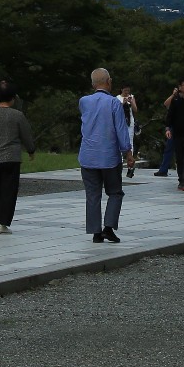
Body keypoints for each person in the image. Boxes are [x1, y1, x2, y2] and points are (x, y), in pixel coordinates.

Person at [78, 67, 132, 242]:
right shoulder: (114, 103)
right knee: (115, 192)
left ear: (93, 84)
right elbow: (121, 130)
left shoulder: (84, 101)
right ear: (109, 82)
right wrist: (128, 153)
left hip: (87, 156)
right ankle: (108, 227)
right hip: (109, 156)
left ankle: (95, 232)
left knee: (93, 195)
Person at [0, 80, 35, 233]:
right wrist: (31, 150)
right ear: (13, 99)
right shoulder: (18, 115)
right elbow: (26, 135)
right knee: (9, 190)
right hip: (11, 158)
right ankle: (2, 222)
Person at [118, 85, 140, 178]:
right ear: (122, 89)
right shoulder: (117, 98)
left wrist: (131, 101)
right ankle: (119, 164)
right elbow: (116, 110)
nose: (127, 92)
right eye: (125, 90)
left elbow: (135, 110)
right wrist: (123, 103)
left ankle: (130, 167)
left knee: (130, 143)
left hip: (130, 123)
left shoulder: (131, 97)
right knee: (119, 143)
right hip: (121, 122)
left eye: (128, 90)